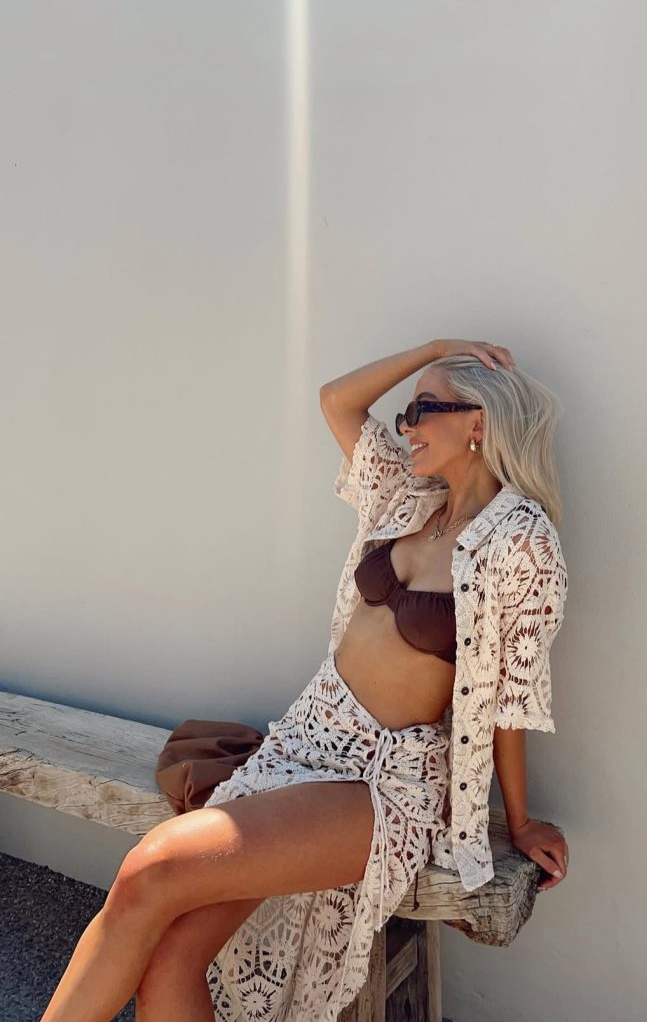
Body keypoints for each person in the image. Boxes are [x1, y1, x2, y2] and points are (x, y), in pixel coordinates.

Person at [39, 338, 570, 1022]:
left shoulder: (521, 540)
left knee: (150, 869)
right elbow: (337, 400)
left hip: (382, 783)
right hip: (298, 746)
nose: (406, 426)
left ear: (479, 422)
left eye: (423, 409)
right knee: (172, 957)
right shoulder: (407, 500)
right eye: (405, 414)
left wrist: (519, 823)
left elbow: (507, 700)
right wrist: (437, 350)